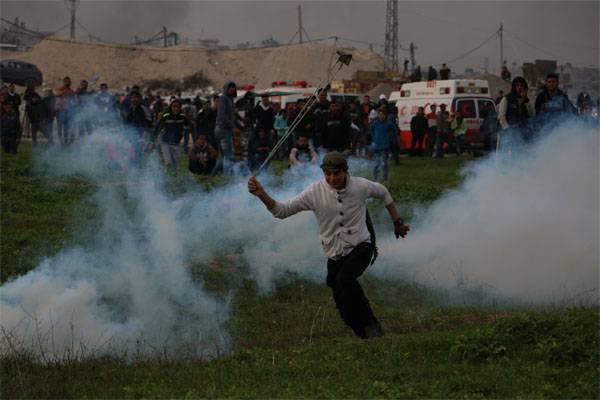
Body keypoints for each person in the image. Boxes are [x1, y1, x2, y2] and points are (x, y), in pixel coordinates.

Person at [247, 152, 410, 339]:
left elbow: (384, 193)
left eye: (336, 174)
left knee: (346, 280)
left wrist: (397, 223)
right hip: (334, 251)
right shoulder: (314, 191)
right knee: (339, 293)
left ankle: (372, 326)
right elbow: (281, 211)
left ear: (345, 172)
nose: (332, 178)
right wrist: (261, 194)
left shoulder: (361, 186)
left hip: (361, 245)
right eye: (327, 174)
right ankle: (362, 333)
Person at [154, 99, 190, 169]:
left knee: (177, 166)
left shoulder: (183, 117)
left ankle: (174, 177)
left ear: (180, 108)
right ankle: (168, 177)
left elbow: (187, 126)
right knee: (168, 163)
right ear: (171, 107)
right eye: (174, 106)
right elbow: (158, 127)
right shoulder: (166, 116)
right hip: (165, 142)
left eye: (178, 107)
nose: (176, 108)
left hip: (176, 143)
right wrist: (154, 139)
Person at [497, 76, 536, 143]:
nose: (519, 87)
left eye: (521, 85)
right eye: (517, 85)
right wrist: (507, 129)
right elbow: (501, 116)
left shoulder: (527, 101)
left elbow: (532, 114)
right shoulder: (507, 99)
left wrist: (525, 99)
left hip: (524, 134)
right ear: (514, 87)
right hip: (510, 133)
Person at [215, 81, 238, 175]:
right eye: (230, 87)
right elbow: (222, 115)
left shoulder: (229, 99)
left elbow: (231, 115)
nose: (232, 89)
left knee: (222, 155)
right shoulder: (223, 98)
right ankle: (227, 175)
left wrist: (238, 124)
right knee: (228, 155)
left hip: (221, 128)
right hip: (223, 129)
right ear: (226, 88)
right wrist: (232, 127)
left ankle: (214, 173)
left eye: (233, 87)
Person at [369, 107, 396, 181]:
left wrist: (392, 139)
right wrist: (373, 138)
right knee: (376, 163)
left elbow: (394, 131)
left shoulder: (389, 124)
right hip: (376, 147)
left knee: (384, 163)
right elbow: (371, 130)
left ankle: (385, 177)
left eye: (383, 114)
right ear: (378, 115)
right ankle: (375, 177)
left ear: (386, 115)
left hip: (385, 147)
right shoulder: (375, 123)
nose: (381, 116)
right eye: (380, 114)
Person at [55, 76, 75, 145]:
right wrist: (64, 91)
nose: (68, 82)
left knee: (66, 127)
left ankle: (66, 141)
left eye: (69, 81)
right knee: (60, 127)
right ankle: (60, 141)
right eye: (66, 81)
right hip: (60, 111)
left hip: (68, 111)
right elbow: (57, 95)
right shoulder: (60, 89)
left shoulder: (71, 90)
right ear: (64, 82)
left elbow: (73, 98)